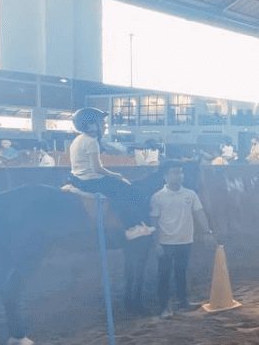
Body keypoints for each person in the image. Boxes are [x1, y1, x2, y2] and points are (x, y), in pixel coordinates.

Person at [67, 107, 153, 239]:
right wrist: (116, 175)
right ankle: (132, 227)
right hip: (91, 180)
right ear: (91, 124)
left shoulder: (78, 139)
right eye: (102, 122)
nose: (105, 125)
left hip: (77, 178)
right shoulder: (91, 142)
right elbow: (97, 169)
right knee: (129, 191)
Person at [150, 163, 215, 317]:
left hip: (185, 240)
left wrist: (207, 232)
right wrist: (156, 243)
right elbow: (154, 221)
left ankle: (182, 301)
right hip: (166, 242)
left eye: (180, 172)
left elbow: (199, 213)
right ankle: (164, 307)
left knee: (181, 272)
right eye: (174, 172)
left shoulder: (190, 194)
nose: (178, 176)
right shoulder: (157, 197)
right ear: (165, 176)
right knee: (164, 275)